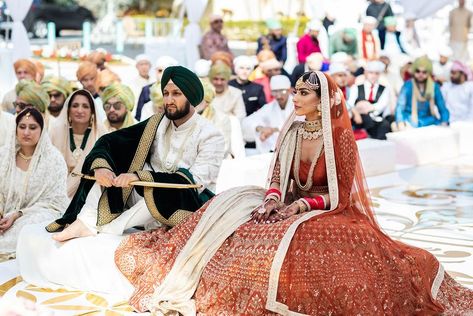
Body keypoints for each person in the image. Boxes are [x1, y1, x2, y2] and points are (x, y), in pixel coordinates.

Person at [18, 72, 473, 315]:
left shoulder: (337, 138)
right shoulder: (292, 129)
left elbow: (336, 192)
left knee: (325, 243)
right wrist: (275, 198)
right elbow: (277, 174)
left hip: (327, 210)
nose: (294, 96)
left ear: (320, 99)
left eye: (302, 92)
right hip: (276, 202)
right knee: (241, 217)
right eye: (294, 90)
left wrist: (299, 204)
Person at [43, 66, 225, 238]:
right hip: (145, 195)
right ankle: (85, 222)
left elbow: (195, 183)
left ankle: (108, 228)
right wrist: (102, 169)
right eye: (166, 93)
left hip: (188, 203)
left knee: (158, 192)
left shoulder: (211, 135)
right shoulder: (157, 122)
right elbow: (112, 141)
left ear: (191, 96)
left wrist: (140, 177)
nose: (169, 100)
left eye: (176, 94)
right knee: (114, 167)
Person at [0, 108, 68, 256]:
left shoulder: (54, 160)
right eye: (22, 127)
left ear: (42, 130)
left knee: (30, 227)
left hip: (32, 215)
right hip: (4, 215)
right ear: (15, 129)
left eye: (33, 127)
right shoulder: (3, 156)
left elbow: (55, 203)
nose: (26, 132)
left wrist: (17, 214)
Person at [50, 89, 107, 198]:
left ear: (92, 111)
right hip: (59, 188)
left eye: (85, 106)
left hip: (90, 189)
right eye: (75, 106)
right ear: (68, 110)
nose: (80, 110)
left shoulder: (100, 134)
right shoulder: (56, 132)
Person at [242, 75, 293, 153]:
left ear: (289, 90)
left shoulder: (299, 105)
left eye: (282, 91)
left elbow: (299, 124)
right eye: (275, 92)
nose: (278, 95)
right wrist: (261, 128)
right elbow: (247, 122)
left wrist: (273, 130)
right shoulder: (270, 107)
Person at [395, 56, 450, 129]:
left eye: (424, 72)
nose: (420, 74)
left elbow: (442, 107)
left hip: (428, 121)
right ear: (414, 71)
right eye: (418, 71)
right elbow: (400, 107)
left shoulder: (434, 87)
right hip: (410, 121)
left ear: (429, 73)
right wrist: (400, 122)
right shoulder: (407, 86)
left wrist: (444, 121)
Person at [196, 80, 245, 159]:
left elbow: (223, 148)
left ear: (207, 102)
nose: (192, 103)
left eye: (197, 100)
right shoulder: (183, 114)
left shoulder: (221, 118)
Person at [347, 61, 392, 139]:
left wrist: (366, 107)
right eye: (371, 73)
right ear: (366, 73)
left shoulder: (384, 89)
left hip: (376, 117)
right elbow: (350, 104)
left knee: (384, 127)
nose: (373, 76)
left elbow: (382, 105)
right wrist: (357, 111)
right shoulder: (356, 88)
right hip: (360, 118)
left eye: (376, 73)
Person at [135, 56, 178, 121]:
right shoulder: (147, 89)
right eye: (159, 70)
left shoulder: (181, 90)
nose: (162, 74)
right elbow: (139, 116)